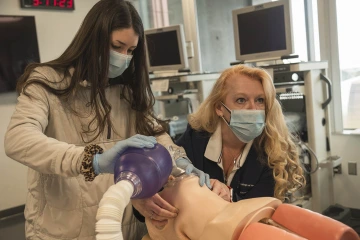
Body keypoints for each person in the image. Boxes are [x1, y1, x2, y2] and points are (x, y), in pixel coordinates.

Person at [4, 0, 208, 239]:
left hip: (124, 226)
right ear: (92, 39)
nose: (123, 57)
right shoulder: (48, 83)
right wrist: (93, 161)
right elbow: (19, 140)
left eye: (130, 51)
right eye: (116, 46)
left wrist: (180, 161)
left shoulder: (127, 91)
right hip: (63, 229)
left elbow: (155, 136)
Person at [176, 64, 305, 202]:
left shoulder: (272, 151)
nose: (253, 109)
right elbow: (170, 184)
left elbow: (260, 208)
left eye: (260, 100)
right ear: (219, 107)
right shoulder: (195, 137)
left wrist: (229, 195)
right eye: (241, 100)